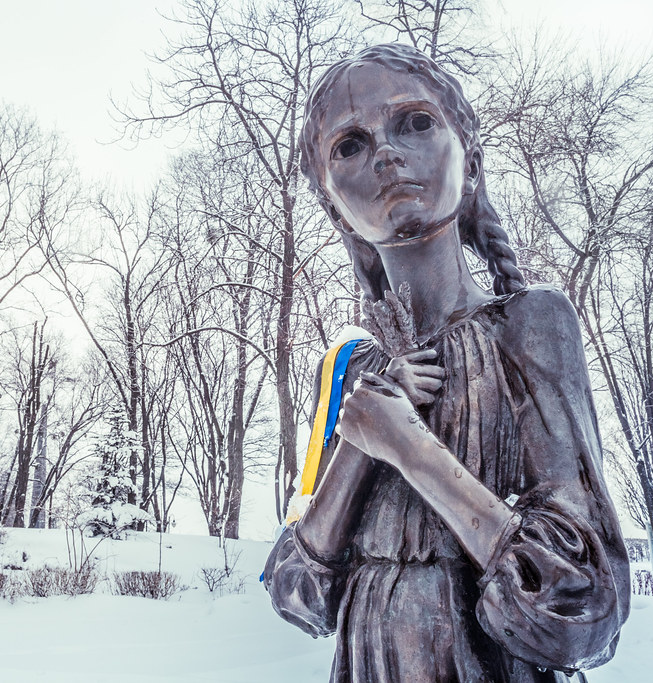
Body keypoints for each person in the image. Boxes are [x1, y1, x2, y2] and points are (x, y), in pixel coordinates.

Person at [263, 43, 630, 683]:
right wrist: (358, 444)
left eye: (414, 122)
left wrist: (410, 449)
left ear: (472, 161)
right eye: (350, 145)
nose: (384, 153)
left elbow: (583, 605)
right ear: (333, 206)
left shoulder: (529, 325)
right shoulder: (359, 368)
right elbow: (299, 594)